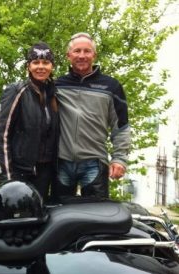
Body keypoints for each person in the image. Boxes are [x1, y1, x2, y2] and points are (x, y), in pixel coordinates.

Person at [55, 32, 130, 199]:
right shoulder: (57, 85)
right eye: (77, 51)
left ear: (94, 55)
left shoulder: (111, 87)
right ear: (68, 55)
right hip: (61, 162)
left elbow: (121, 127)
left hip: (94, 163)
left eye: (87, 51)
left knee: (97, 217)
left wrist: (119, 159)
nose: (82, 55)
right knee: (60, 217)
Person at [0, 42, 59, 202]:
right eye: (36, 62)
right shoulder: (16, 91)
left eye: (46, 62)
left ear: (52, 66)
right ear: (28, 66)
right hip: (20, 173)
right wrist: (7, 178)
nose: (41, 67)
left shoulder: (53, 94)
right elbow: (1, 135)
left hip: (45, 172)